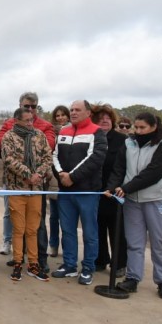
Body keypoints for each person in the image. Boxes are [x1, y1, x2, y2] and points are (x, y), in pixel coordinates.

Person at [105, 112, 162, 300]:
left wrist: (126, 188)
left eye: (142, 127)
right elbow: (119, 168)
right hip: (132, 202)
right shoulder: (129, 143)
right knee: (134, 243)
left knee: (159, 243)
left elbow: (153, 173)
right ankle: (133, 278)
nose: (138, 131)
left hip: (158, 200)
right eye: (136, 127)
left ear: (154, 126)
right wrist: (112, 187)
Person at [52, 100, 107, 285]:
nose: (73, 113)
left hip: (87, 192)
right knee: (67, 230)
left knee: (90, 232)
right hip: (65, 192)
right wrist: (61, 175)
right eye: (72, 110)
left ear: (88, 112)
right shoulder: (63, 131)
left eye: (77, 110)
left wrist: (73, 177)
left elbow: (96, 158)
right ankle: (69, 265)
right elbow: (54, 155)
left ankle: (88, 267)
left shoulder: (96, 132)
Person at [0, 92, 56, 260]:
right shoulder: (9, 126)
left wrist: (38, 173)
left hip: (37, 184)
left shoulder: (44, 128)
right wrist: (27, 173)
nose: (30, 110)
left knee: (36, 224)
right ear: (19, 106)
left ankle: (38, 259)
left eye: (33, 107)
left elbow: (48, 149)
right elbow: (1, 145)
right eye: (26, 107)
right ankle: (17, 258)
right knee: (15, 222)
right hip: (16, 184)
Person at [1, 108, 52, 282]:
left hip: (36, 190)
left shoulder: (40, 135)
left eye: (32, 120)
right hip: (17, 189)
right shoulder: (9, 137)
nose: (31, 123)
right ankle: (17, 262)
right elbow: (8, 159)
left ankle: (33, 264)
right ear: (17, 121)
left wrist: (38, 174)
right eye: (27, 120)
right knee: (18, 229)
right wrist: (27, 174)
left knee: (32, 229)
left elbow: (48, 157)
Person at [92, 103, 127, 276]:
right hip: (95, 191)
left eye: (108, 118)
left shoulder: (123, 140)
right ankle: (100, 259)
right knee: (97, 227)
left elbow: (123, 167)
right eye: (100, 119)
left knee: (116, 229)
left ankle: (119, 263)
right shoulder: (91, 138)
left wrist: (114, 187)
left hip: (115, 192)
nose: (105, 121)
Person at [47, 105, 70, 257]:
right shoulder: (53, 134)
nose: (60, 117)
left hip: (68, 179)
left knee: (67, 219)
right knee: (54, 216)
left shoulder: (71, 132)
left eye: (63, 115)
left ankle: (67, 247)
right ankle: (53, 245)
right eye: (58, 115)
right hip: (54, 180)